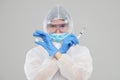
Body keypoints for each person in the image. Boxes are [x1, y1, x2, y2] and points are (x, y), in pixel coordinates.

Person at [24, 5, 93, 80]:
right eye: (53, 26)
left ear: (69, 26)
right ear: (46, 27)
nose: (58, 31)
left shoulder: (81, 51)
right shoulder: (35, 53)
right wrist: (59, 53)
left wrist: (58, 54)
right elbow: (36, 78)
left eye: (62, 26)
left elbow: (80, 77)